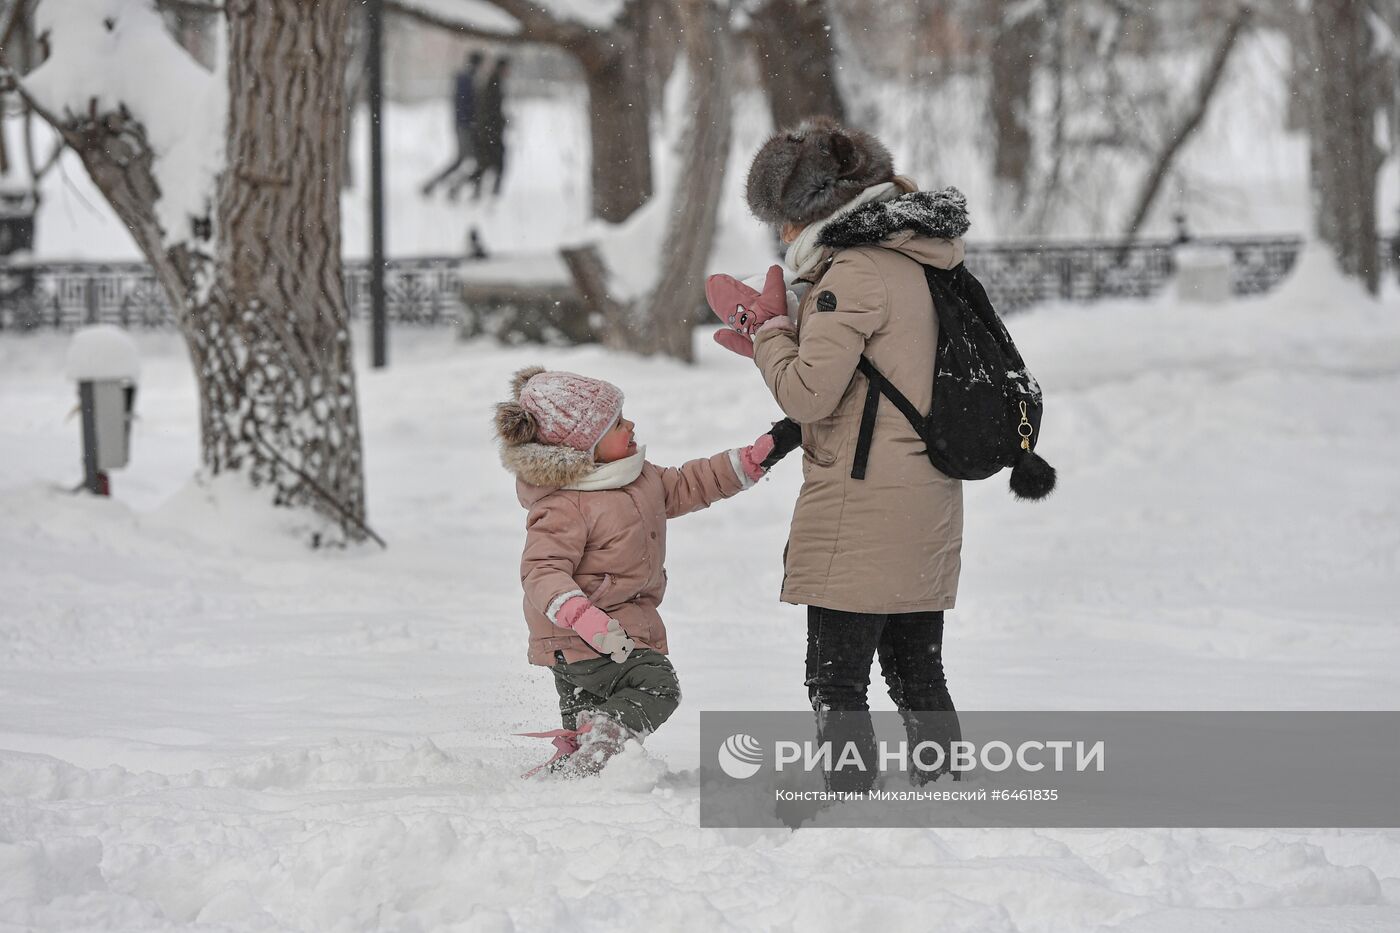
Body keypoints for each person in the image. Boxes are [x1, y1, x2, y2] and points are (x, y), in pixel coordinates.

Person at [738, 116, 972, 790]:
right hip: (925, 491)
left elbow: (810, 394)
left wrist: (773, 333)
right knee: (916, 668)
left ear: (816, 209)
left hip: (863, 498)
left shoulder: (855, 273)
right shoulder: (918, 255)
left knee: (835, 678)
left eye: (783, 217)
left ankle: (849, 806)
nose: (780, 234)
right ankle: (948, 791)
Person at [494, 366, 800, 777]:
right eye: (617, 423)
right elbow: (541, 571)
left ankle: (574, 773)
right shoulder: (563, 504)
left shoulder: (639, 478)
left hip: (608, 632)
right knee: (656, 686)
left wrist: (750, 461)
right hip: (584, 634)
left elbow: (692, 483)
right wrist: (586, 619)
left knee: (590, 719)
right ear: (586, 446)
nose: (631, 424)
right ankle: (593, 746)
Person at [421, 51, 484, 198]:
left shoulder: (465, 78)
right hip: (465, 126)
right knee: (469, 160)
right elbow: (466, 105)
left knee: (464, 160)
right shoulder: (467, 80)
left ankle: (438, 185)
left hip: (463, 124)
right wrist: (472, 121)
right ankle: (448, 187)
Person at [456, 56, 510, 200]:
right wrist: (495, 126)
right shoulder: (493, 83)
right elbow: (489, 110)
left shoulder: (491, 81)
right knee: (491, 163)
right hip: (489, 132)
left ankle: (470, 190)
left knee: (486, 164)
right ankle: (464, 188)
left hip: (487, 131)